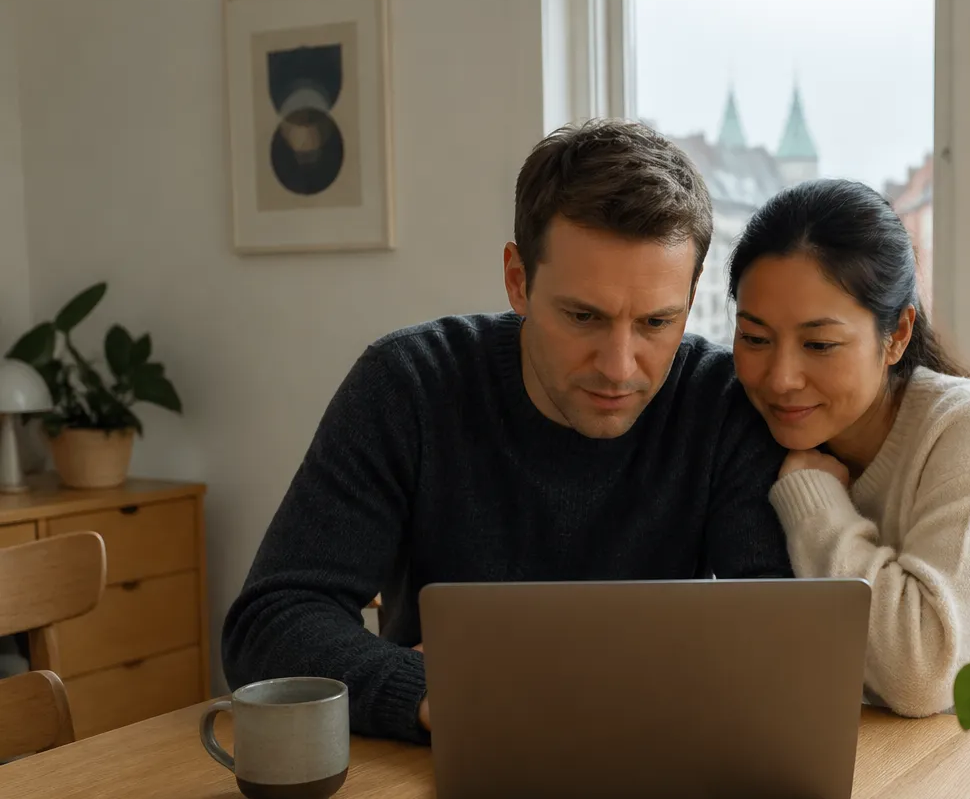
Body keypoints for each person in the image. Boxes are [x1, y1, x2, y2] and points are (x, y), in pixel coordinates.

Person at [223, 120, 793, 744]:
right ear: (518, 280)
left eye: (658, 322)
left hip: (660, 759)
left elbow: (778, 641)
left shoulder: (720, 405)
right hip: (443, 763)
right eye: (583, 317)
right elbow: (270, 622)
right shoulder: (409, 384)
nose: (619, 366)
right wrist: (432, 694)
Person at [728, 177, 970, 724]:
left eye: (819, 344)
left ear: (897, 334)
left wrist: (815, 501)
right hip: (886, 768)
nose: (780, 379)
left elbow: (923, 676)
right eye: (755, 338)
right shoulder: (751, 433)